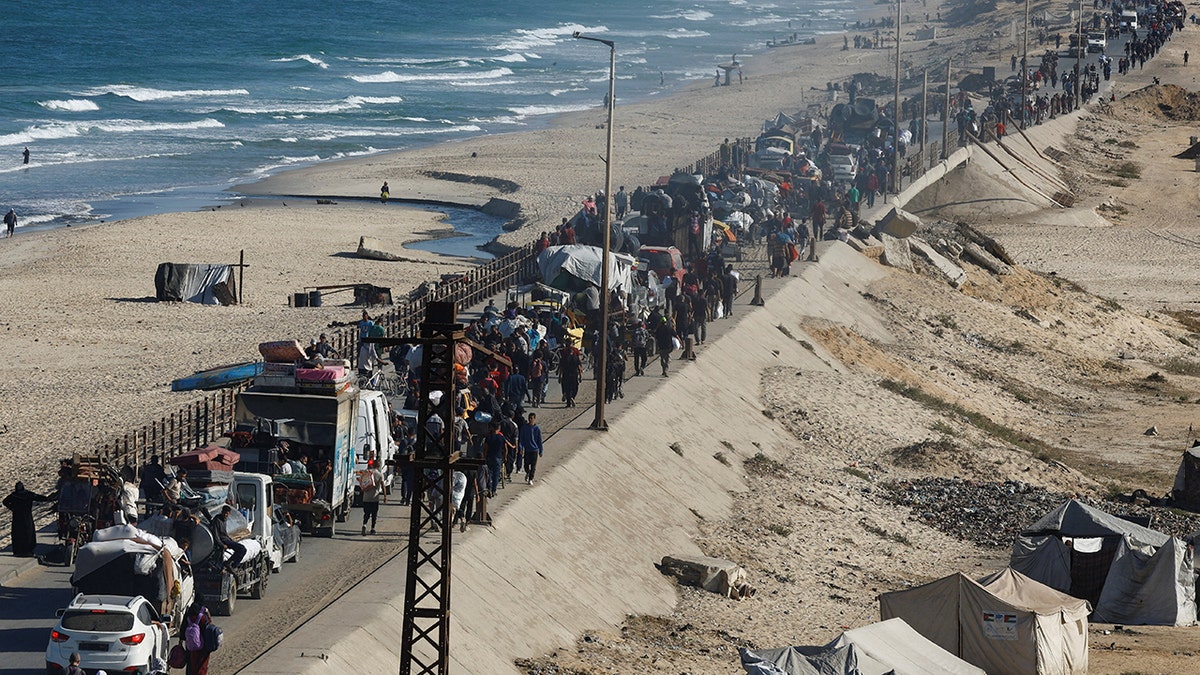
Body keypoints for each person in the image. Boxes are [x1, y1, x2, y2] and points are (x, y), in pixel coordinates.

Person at [4, 481, 51, 557]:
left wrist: (12, 508)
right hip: (27, 517)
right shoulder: (28, 494)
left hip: (17, 517)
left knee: (18, 534)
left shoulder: (13, 495)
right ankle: (29, 551)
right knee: (28, 534)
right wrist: (49, 498)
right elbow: (39, 498)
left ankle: (18, 551)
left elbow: (5, 502)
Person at [181, 599, 213, 675]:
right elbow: (210, 628)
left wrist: (181, 641)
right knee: (201, 666)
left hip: (190, 647)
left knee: (191, 665)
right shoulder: (203, 617)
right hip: (202, 647)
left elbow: (182, 630)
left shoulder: (188, 616)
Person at [212, 505, 247, 570]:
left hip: (227, 539)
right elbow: (216, 535)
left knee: (243, 549)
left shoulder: (224, 520)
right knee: (242, 549)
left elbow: (224, 533)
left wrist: (231, 540)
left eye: (227, 514)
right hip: (223, 541)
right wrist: (222, 545)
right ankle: (231, 565)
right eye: (224, 513)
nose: (225, 515)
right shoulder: (217, 520)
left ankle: (230, 563)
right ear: (222, 511)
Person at [360, 460, 385, 535]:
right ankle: (373, 529)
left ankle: (364, 524)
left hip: (366, 497)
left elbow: (362, 483)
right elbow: (383, 486)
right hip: (375, 498)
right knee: (374, 514)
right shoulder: (380, 475)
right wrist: (385, 496)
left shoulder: (367, 473)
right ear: (379, 466)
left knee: (366, 513)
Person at [519, 413, 544, 484]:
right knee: (526, 465)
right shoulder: (524, 428)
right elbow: (521, 439)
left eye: (531, 418)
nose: (530, 420)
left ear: (534, 419)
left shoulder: (537, 429)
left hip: (534, 450)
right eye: (529, 418)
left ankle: (530, 479)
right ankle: (528, 472)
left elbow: (539, 440)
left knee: (533, 466)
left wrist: (541, 450)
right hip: (527, 449)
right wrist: (521, 448)